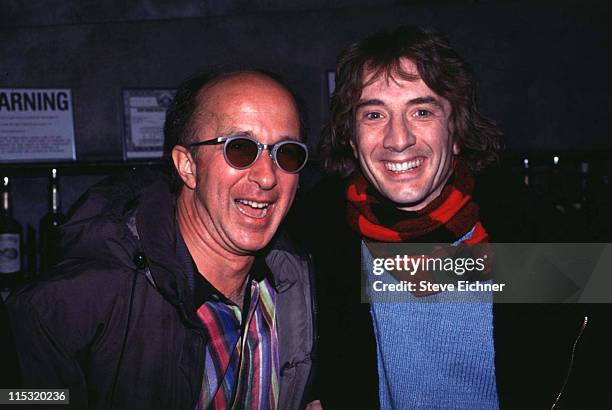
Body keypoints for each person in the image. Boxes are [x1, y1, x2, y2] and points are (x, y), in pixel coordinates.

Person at [293, 25, 607, 409]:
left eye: (422, 111)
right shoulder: (313, 253)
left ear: (456, 132)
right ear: (351, 139)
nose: (398, 139)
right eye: (374, 114)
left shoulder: (527, 238)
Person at [7, 70, 317, 409]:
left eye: (286, 154)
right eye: (240, 150)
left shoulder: (297, 288)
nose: (267, 176)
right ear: (187, 165)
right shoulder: (71, 304)